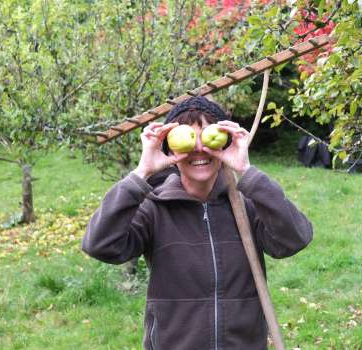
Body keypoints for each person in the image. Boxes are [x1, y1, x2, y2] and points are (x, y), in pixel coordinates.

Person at [82, 96, 313, 350]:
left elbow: (295, 239)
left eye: (209, 136)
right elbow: (99, 244)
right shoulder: (154, 208)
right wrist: (142, 173)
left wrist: (247, 172)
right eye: (188, 138)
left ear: (223, 143)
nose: (199, 148)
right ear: (171, 149)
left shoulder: (245, 204)